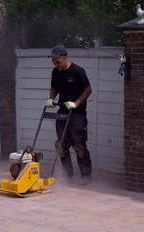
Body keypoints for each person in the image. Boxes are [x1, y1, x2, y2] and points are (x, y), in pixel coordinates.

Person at [46, 45, 93, 185]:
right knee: (61, 145)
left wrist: (76, 103)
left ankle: (86, 175)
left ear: (65, 57)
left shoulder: (77, 71)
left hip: (77, 114)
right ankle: (67, 176)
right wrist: (51, 99)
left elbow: (88, 90)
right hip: (62, 112)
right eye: (54, 62)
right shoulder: (55, 72)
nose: (56, 64)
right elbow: (54, 86)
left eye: (58, 62)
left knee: (79, 147)